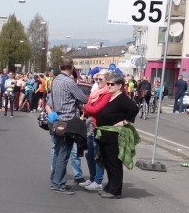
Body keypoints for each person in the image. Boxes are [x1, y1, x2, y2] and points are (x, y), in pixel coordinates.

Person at [45, 57, 88, 194]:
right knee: (64, 154)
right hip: (68, 121)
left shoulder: (55, 80)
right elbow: (82, 98)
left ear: (59, 67)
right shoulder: (69, 82)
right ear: (72, 67)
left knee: (57, 152)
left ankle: (56, 181)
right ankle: (59, 184)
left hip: (57, 120)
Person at [93, 74, 140, 199]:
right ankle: (110, 186)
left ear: (119, 86)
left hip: (113, 136)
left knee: (114, 163)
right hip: (105, 135)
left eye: (111, 84)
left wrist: (125, 122)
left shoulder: (122, 98)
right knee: (107, 162)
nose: (108, 86)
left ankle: (115, 191)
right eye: (108, 83)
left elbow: (134, 108)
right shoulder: (112, 97)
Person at [81, 71, 111, 191]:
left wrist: (87, 107)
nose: (98, 81)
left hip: (98, 126)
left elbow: (96, 110)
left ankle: (98, 181)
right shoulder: (95, 93)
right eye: (96, 79)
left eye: (100, 79)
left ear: (107, 81)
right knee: (89, 154)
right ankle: (92, 178)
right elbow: (88, 109)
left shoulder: (106, 94)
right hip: (90, 125)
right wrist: (88, 108)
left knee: (97, 155)